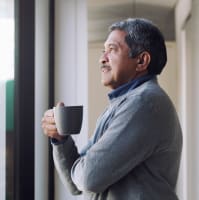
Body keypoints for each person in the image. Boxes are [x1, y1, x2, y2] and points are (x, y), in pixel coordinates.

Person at [42, 18, 182, 200]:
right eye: (103, 51)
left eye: (112, 49)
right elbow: (75, 184)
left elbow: (88, 179)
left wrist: (83, 168)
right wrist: (60, 140)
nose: (102, 58)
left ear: (141, 60)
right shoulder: (121, 104)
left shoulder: (144, 103)